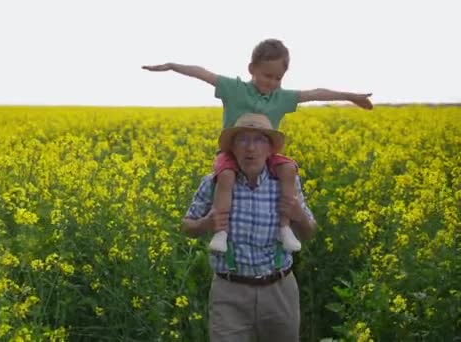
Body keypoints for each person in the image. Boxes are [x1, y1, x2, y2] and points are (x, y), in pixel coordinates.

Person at [143, 38, 372, 253]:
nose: (272, 83)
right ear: (251, 69)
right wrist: (172, 66)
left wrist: (351, 96)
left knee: (289, 169)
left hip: (266, 156)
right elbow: (203, 73)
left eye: (277, 78)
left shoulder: (280, 98)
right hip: (232, 154)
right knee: (226, 177)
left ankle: (284, 229)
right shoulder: (235, 89)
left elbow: (315, 93)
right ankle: (220, 233)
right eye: (267, 75)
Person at [182, 113, 317, 341]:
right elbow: (186, 226)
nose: (250, 148)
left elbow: (309, 232)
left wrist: (299, 216)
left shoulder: (287, 183)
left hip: (279, 288)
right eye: (242, 140)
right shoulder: (214, 182)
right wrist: (205, 224)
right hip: (229, 291)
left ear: (270, 149)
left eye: (259, 140)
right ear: (232, 148)